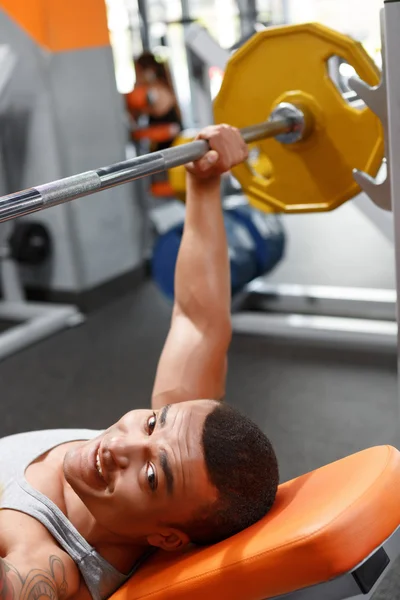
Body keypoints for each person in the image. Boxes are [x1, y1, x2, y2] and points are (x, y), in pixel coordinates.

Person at [0, 125, 279, 600]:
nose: (122, 446)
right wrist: (204, 182)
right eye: (151, 423)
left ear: (166, 538)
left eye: (151, 476)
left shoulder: (50, 568)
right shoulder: (185, 445)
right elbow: (199, 322)